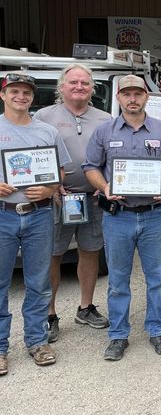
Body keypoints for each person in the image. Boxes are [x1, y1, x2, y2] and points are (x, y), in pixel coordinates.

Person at [83, 74, 161, 361]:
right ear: (118, 98)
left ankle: (157, 330)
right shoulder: (105, 132)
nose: (132, 99)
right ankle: (118, 335)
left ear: (146, 97)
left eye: (137, 93)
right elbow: (91, 166)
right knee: (117, 280)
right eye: (126, 94)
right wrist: (105, 187)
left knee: (157, 278)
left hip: (154, 216)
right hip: (119, 217)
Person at [34, 65, 112, 342]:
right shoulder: (43, 117)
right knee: (52, 255)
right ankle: (50, 314)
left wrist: (104, 185)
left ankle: (86, 307)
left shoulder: (105, 119)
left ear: (92, 88)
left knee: (90, 251)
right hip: (56, 198)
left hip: (92, 198)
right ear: (62, 86)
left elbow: (112, 158)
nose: (79, 87)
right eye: (73, 82)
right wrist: (50, 186)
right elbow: (35, 157)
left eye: (85, 83)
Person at [0, 73, 71, 375]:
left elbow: (61, 173)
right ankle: (0, 348)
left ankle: (37, 340)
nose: (21, 96)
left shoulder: (47, 131)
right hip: (3, 214)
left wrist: (51, 188)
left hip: (40, 214)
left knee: (39, 283)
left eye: (26, 92)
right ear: (3, 95)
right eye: (14, 91)